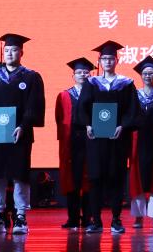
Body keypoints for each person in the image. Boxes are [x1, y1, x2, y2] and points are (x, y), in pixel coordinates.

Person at [0, 33, 45, 235]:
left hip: (19, 135)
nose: (9, 53)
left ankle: (20, 217)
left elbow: (34, 105)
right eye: (6, 50)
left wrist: (23, 125)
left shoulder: (31, 77)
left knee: (19, 175)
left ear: (21, 52)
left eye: (14, 50)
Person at [78, 40, 138, 234]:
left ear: (117, 60)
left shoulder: (126, 84)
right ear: (100, 61)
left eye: (111, 58)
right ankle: (95, 220)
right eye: (104, 59)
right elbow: (82, 108)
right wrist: (87, 125)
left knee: (116, 178)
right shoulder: (91, 83)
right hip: (95, 140)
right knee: (95, 178)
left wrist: (123, 126)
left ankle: (116, 219)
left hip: (117, 140)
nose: (108, 62)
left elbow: (132, 110)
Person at [129, 55, 153, 229]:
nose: (148, 76)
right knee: (136, 176)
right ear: (140, 75)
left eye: (151, 73)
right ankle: (138, 216)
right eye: (145, 73)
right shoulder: (134, 94)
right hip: (137, 138)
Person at [56, 57, 93, 229]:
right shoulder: (64, 95)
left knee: (88, 180)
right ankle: (72, 218)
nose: (82, 75)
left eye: (86, 72)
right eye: (79, 72)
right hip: (70, 143)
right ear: (73, 76)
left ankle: (87, 218)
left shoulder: (94, 94)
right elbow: (59, 119)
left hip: (90, 141)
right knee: (71, 180)